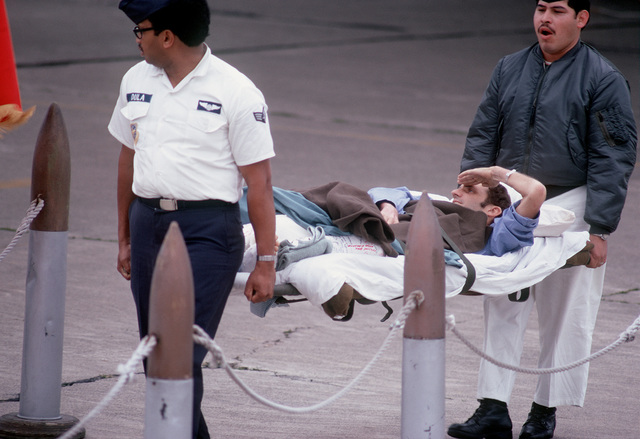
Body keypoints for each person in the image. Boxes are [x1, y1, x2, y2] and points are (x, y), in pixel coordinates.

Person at [448, 1, 637, 439]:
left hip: (575, 205)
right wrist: (472, 203)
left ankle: (543, 413)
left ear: (582, 18)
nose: (544, 19)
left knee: (567, 311)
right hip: (515, 204)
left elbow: (613, 157)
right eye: (539, 8)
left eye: (557, 10)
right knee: (502, 300)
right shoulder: (509, 68)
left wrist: (600, 229)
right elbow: (483, 134)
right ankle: (492, 408)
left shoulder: (604, 79)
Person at [108, 1, 277, 438]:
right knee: (156, 357)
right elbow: (128, 162)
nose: (137, 39)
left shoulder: (236, 91)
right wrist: (124, 236)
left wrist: (267, 261)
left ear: (167, 36)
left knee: (178, 356)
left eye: (141, 30)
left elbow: (259, 184)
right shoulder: (135, 79)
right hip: (148, 225)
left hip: (207, 233)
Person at [369, 165, 547, 257]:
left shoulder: (498, 235)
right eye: (459, 187)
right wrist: (388, 206)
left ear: (493, 210)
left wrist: (495, 173)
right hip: (377, 228)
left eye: (469, 190)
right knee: (345, 193)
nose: (455, 192)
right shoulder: (439, 204)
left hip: (386, 240)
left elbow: (536, 192)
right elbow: (381, 192)